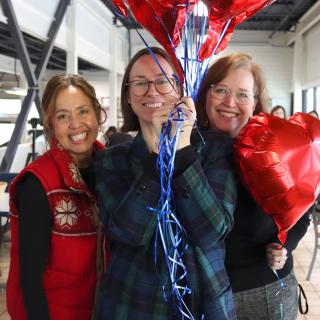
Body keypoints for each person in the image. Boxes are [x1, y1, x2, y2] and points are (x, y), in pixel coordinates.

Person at [94, 47, 237, 319]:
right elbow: (129, 232)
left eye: (163, 81)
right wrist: (157, 155)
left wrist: (182, 149)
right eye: (140, 83)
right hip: (133, 303)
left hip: (205, 303)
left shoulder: (214, 149)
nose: (152, 91)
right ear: (128, 95)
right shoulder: (111, 160)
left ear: (179, 88)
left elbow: (212, 231)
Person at [195, 52, 310, 320]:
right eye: (220, 90)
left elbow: (302, 211)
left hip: (262, 294)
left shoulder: (275, 152)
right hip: (200, 294)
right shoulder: (187, 149)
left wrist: (284, 245)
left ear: (255, 103)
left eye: (243, 94)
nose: (230, 102)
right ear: (205, 95)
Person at [6, 75, 108, 320]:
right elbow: (29, 281)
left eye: (83, 111)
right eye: (63, 116)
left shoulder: (113, 169)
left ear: (96, 114)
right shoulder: (38, 183)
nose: (76, 124)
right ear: (51, 124)